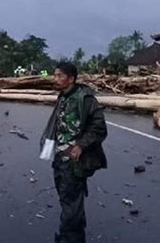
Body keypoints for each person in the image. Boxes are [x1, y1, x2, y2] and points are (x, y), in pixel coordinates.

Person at [41, 62, 107, 243]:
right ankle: (75, 234)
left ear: (71, 79)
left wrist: (80, 146)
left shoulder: (85, 99)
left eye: (59, 76)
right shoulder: (63, 96)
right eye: (55, 75)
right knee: (67, 198)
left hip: (74, 160)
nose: (55, 79)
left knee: (71, 200)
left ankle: (69, 238)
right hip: (60, 158)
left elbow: (99, 128)